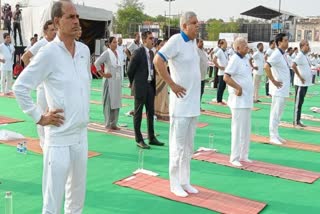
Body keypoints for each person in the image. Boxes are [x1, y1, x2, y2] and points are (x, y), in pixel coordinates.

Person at [13, 1, 91, 213]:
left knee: (76, 200)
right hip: (59, 138)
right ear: (57, 22)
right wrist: (39, 116)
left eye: (77, 17)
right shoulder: (49, 53)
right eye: (70, 17)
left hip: (81, 136)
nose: (76, 21)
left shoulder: (83, 51)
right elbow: (19, 87)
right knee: (53, 201)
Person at [154, 11, 200, 197]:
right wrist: (171, 83)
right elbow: (158, 60)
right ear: (184, 26)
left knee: (188, 147)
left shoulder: (193, 42)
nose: (198, 26)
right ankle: (174, 184)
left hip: (193, 105)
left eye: (198, 22)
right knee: (177, 146)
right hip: (181, 105)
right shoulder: (176, 40)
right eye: (194, 23)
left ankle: (185, 181)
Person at [21, 20, 56, 148]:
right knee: (42, 113)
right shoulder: (41, 44)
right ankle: (43, 143)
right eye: (52, 30)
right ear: (45, 31)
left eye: (55, 29)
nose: (54, 32)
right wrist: (34, 73)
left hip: (53, 85)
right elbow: (25, 57)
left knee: (53, 111)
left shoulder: (57, 44)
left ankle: (51, 140)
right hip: (42, 86)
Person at [127, 31, 164, 149]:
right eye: (150, 38)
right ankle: (139, 139)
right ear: (144, 40)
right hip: (140, 86)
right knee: (138, 113)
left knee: (150, 112)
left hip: (149, 86)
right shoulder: (138, 52)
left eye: (153, 38)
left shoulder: (152, 53)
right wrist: (134, 83)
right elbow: (130, 70)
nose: (153, 40)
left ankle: (151, 137)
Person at [224, 37, 253, 167]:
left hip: (247, 100)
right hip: (238, 100)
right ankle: (234, 157)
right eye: (244, 45)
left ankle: (244, 155)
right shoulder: (234, 59)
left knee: (246, 129)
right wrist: (238, 87)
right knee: (237, 129)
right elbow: (226, 77)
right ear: (238, 48)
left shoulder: (245, 59)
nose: (247, 47)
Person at [264, 33, 290, 145]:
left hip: (283, 89)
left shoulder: (282, 54)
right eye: (285, 40)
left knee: (279, 113)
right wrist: (273, 80)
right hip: (278, 89)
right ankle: (272, 136)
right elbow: (266, 66)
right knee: (275, 112)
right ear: (279, 43)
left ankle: (276, 134)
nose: (287, 42)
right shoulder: (276, 54)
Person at [95, 36, 122, 131]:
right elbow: (96, 63)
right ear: (109, 44)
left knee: (116, 102)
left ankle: (114, 123)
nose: (115, 44)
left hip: (117, 81)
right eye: (114, 42)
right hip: (109, 81)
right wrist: (103, 74)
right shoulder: (106, 53)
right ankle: (107, 123)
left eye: (116, 42)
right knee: (108, 103)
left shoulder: (118, 53)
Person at [292, 40, 313, 127]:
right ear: (302, 46)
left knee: (301, 102)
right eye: (307, 45)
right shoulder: (300, 55)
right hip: (300, 83)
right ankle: (296, 121)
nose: (308, 46)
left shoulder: (305, 56)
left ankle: (298, 120)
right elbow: (293, 65)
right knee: (298, 102)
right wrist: (300, 77)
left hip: (305, 83)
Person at [154, 39, 169, 120]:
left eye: (164, 45)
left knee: (164, 95)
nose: (163, 47)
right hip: (157, 79)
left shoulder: (165, 56)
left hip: (164, 79)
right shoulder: (155, 56)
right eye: (161, 45)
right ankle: (157, 112)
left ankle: (163, 112)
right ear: (156, 47)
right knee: (158, 96)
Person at [213, 38, 228, 105]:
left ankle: (220, 99)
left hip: (225, 72)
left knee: (223, 86)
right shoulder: (219, 51)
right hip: (221, 72)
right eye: (225, 43)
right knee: (220, 86)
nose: (226, 44)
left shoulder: (225, 51)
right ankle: (218, 100)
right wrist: (219, 66)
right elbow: (214, 59)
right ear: (222, 44)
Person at [197, 38, 208, 107]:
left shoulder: (202, 51)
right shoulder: (196, 51)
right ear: (197, 43)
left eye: (202, 42)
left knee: (201, 91)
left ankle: (198, 105)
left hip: (203, 76)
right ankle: (196, 106)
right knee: (198, 92)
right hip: (198, 76)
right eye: (201, 42)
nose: (202, 43)